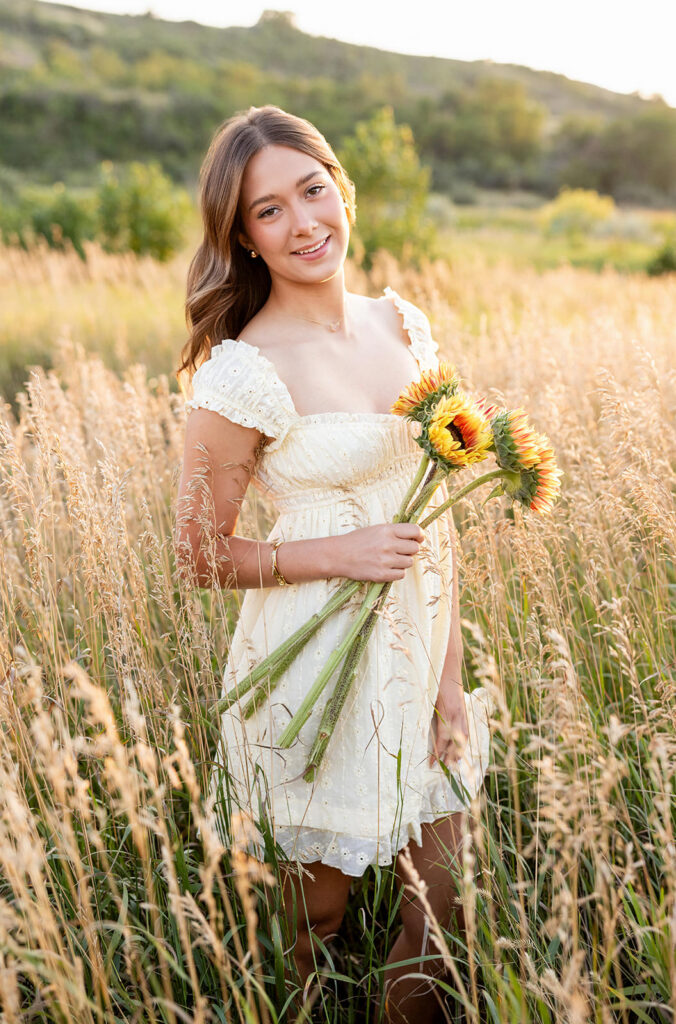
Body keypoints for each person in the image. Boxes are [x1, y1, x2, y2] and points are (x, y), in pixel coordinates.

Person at [175, 104, 493, 1023]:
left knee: (439, 913)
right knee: (312, 920)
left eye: (312, 190)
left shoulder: (403, 325)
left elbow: (435, 524)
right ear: (244, 236)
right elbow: (199, 554)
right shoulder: (240, 371)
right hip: (311, 667)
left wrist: (449, 682)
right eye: (269, 211)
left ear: (341, 188)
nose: (304, 222)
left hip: (418, 655)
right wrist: (341, 552)